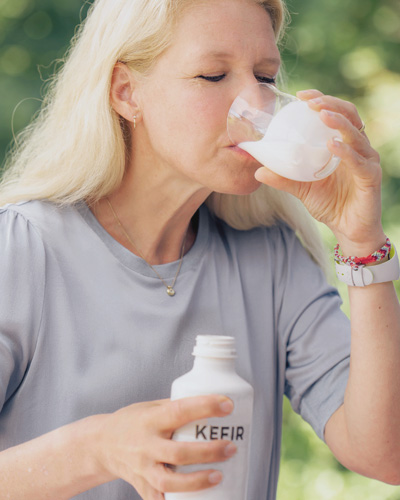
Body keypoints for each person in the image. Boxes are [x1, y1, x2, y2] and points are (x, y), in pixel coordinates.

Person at [0, 0, 399, 499]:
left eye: (267, 76)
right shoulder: (22, 251)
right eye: (213, 76)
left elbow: (386, 454)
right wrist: (99, 447)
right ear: (126, 93)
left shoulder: (270, 258)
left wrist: (362, 240)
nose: (255, 102)